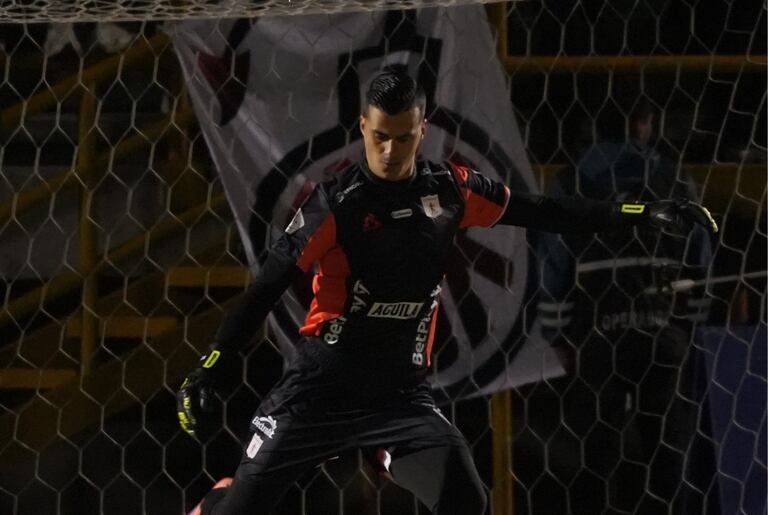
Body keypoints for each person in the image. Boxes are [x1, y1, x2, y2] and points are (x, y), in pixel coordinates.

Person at [176, 70, 717, 515]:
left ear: (423, 128)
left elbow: (542, 211)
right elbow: (266, 287)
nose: (390, 150)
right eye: (379, 136)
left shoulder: (451, 190)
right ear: (362, 126)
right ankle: (221, 497)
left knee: (465, 500)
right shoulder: (334, 204)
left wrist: (641, 211)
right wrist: (212, 368)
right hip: (319, 391)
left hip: (400, 398)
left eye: (404, 137)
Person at [535, 98, 715, 513]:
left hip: (598, 338)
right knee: (667, 455)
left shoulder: (574, 180)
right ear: (645, 124)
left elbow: (553, 265)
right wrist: (688, 326)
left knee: (596, 458)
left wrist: (559, 335)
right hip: (663, 334)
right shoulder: (675, 180)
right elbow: (700, 258)